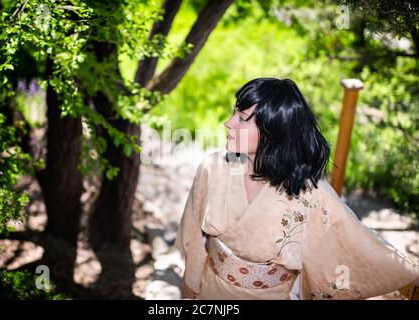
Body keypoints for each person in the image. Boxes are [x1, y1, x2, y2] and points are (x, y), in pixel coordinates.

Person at [174, 78, 419, 300]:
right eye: (234, 113)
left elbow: (354, 241)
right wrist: (189, 295)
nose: (228, 124)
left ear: (273, 131)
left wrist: (409, 275)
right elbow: (194, 242)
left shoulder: (307, 192)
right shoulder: (212, 168)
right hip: (210, 292)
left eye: (241, 118)